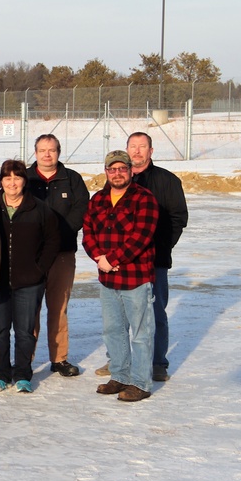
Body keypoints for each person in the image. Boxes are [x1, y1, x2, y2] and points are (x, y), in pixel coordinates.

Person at [83, 150, 159, 402]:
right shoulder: (98, 200)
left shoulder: (144, 199)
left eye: (122, 169)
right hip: (108, 279)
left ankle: (140, 382)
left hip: (136, 278)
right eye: (112, 169)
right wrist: (99, 259)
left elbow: (141, 237)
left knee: (140, 333)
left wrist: (112, 259)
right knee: (113, 330)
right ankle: (120, 375)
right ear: (106, 172)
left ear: (130, 170)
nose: (117, 173)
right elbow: (88, 234)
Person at [0, 160, 60, 394]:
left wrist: (40, 269)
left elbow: (53, 240)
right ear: (1, 181)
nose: (12, 183)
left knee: (25, 331)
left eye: (17, 178)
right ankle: (1, 373)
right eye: (7, 178)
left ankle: (22, 373)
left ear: (24, 181)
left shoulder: (38, 208)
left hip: (29, 281)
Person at [125, 131, 188, 382]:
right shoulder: (119, 179)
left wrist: (161, 249)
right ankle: (119, 360)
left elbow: (178, 218)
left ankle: (158, 362)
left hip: (154, 261)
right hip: (124, 262)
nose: (137, 151)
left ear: (151, 151)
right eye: (133, 146)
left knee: (156, 312)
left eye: (142, 147)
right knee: (123, 314)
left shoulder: (167, 181)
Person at [26, 134, 89, 378]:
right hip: (32, 256)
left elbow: (81, 208)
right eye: (42, 150)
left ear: (59, 152)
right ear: (35, 152)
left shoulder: (71, 179)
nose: (47, 154)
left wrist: (58, 234)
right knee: (29, 309)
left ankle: (59, 358)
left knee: (58, 307)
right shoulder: (25, 178)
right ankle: (25, 359)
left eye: (51, 150)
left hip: (62, 253)